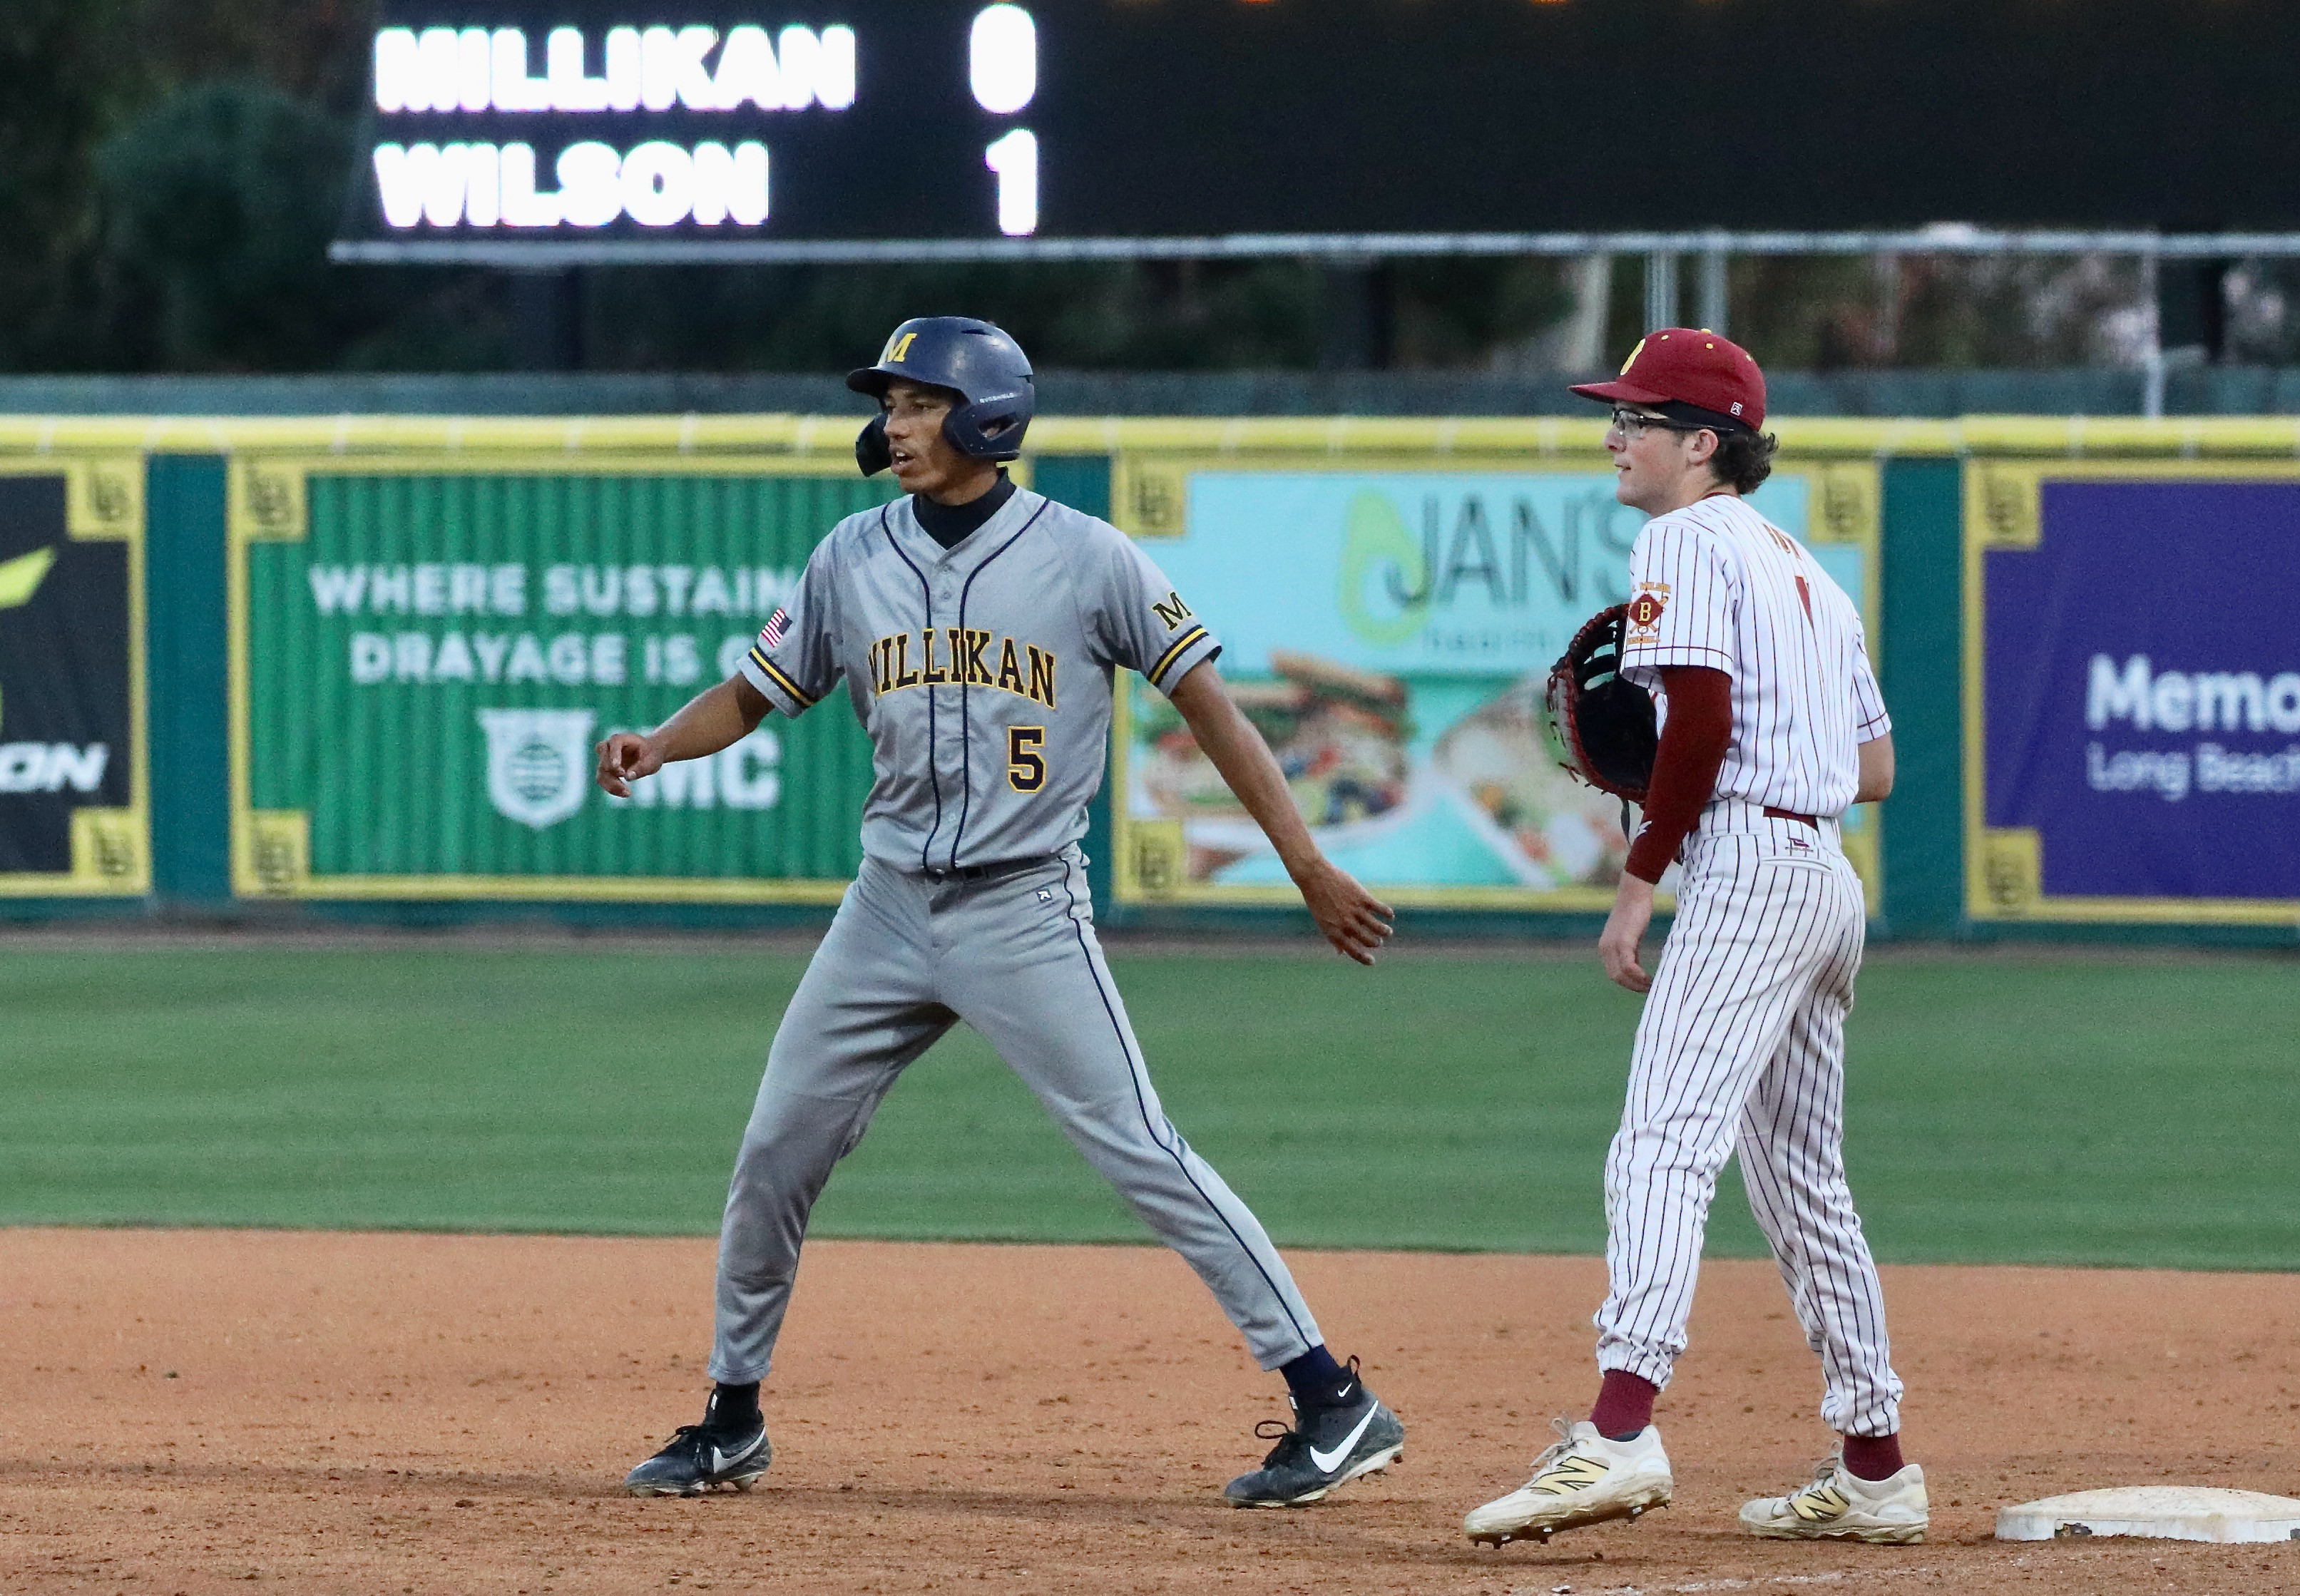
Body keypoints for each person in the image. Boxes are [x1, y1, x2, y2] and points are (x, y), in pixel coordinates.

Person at [601, 317, 1405, 1510]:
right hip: (882, 910)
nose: (896, 424)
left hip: (1023, 909)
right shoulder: (850, 554)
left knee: (1140, 1147)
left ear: (989, 417)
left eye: (920, 403)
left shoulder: (1090, 559)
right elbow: (756, 689)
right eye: (891, 404)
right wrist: (661, 743)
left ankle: (1333, 1401)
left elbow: (1215, 711)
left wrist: (1305, 865)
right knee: (775, 1150)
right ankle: (730, 1420)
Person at [1463, 329, 1926, 1548]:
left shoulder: (1677, 537)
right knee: (1800, 1183)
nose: (1615, 435)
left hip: (1747, 874)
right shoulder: (1808, 574)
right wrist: (1768, 765)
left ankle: (1615, 1435)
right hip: (1821, 877)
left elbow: (1705, 717)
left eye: (1637, 418)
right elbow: (1872, 769)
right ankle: (1874, 1464)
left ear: (1702, 443)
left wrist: (1637, 877)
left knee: (1664, 1143)